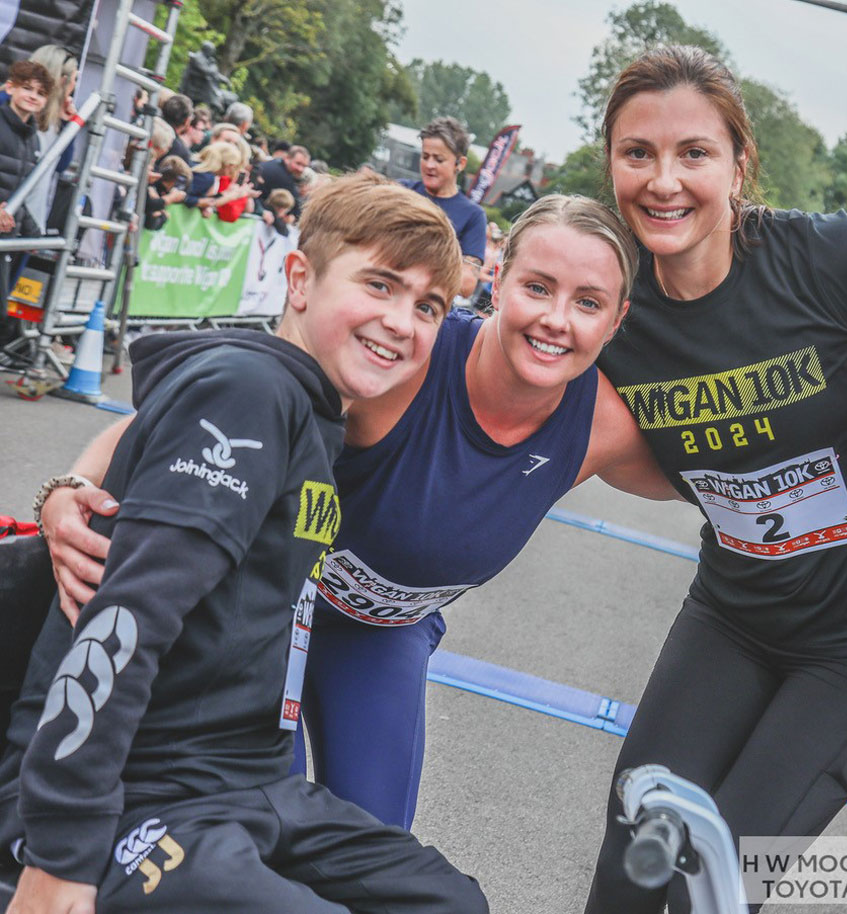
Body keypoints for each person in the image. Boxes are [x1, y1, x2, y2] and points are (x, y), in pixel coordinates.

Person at [40, 194, 677, 833]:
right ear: (497, 278)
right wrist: (70, 487)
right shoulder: (407, 361)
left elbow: (729, 486)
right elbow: (214, 404)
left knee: (372, 847)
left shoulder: (603, 426)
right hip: (269, 608)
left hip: (381, 634)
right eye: (538, 287)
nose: (556, 320)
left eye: (588, 303)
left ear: (618, 319)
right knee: (250, 826)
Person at [0, 173, 488, 913]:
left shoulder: (310, 406)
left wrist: (66, 485)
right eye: (380, 285)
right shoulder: (248, 390)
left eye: (428, 306)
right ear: (299, 279)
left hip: (245, 781)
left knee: (451, 902)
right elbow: (127, 617)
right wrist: (60, 847)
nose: (403, 321)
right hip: (131, 792)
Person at [582, 45, 847, 914]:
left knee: (713, 887)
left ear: (740, 163)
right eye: (638, 153)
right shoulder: (615, 303)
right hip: (732, 615)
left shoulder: (828, 257)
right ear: (612, 162)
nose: (663, 181)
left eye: (694, 154)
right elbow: (630, 458)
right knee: (630, 868)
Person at [401, 116, 485, 298]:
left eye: (439, 160)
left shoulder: (473, 215)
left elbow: (467, 283)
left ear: (460, 164)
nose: (429, 165)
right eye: (425, 157)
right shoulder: (400, 191)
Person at [0, 60, 52, 237]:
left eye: (41, 93)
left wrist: (33, 234)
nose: (33, 96)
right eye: (27, 88)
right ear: (10, 88)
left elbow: (19, 193)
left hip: (6, 235)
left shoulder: (34, 140)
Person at [257, 144, 308, 219]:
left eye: (304, 166)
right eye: (298, 163)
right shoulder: (281, 176)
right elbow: (296, 209)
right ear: (287, 159)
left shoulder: (275, 165)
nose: (300, 169)